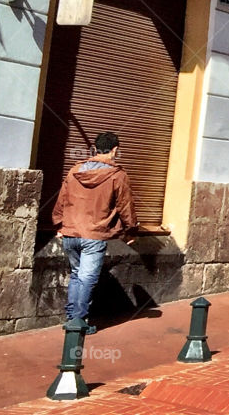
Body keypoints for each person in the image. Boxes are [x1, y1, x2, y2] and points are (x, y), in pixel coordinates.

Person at [52, 132, 138, 333]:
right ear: (115, 150)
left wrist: (59, 225)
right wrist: (131, 231)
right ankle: (78, 322)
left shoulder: (75, 171)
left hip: (71, 232)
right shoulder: (117, 175)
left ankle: (72, 317)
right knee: (87, 278)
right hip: (94, 234)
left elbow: (61, 200)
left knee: (76, 275)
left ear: (95, 149)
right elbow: (126, 206)